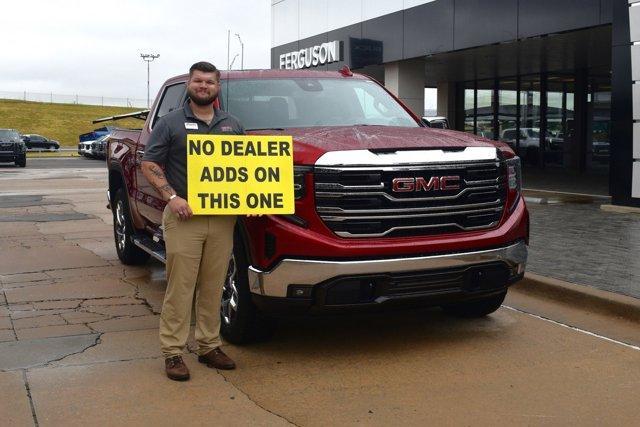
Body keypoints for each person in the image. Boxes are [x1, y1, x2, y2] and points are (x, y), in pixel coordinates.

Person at [141, 61, 244, 381]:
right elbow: (150, 163)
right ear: (189, 84)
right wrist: (173, 197)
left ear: (217, 87)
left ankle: (208, 346)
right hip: (185, 217)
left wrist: (253, 197)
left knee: (214, 286)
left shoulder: (232, 123)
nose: (203, 86)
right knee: (181, 287)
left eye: (209, 82)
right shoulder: (170, 123)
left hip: (223, 218)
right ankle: (172, 352)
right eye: (198, 81)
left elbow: (244, 169)